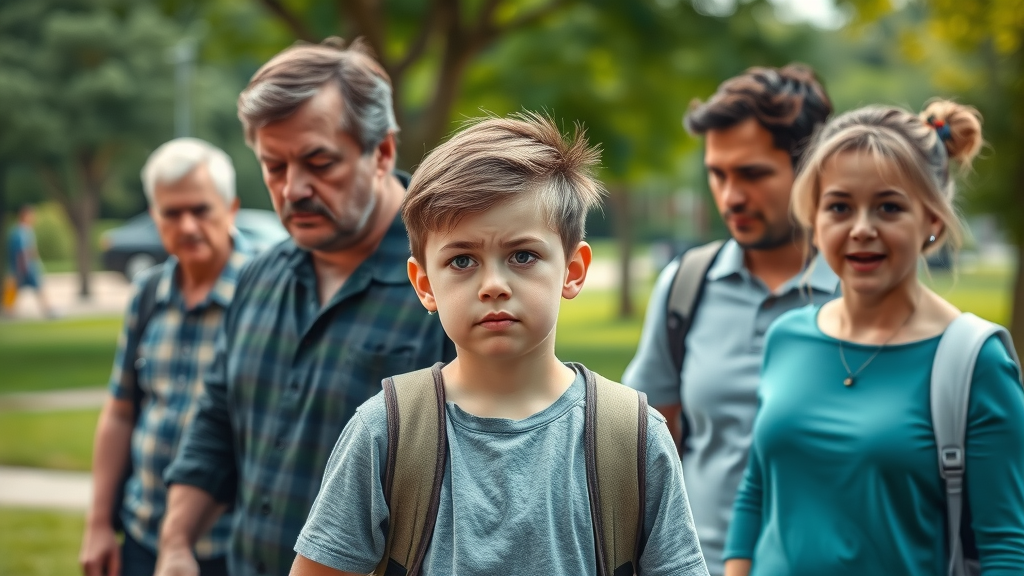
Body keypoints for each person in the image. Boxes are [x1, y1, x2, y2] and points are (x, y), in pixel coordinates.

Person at [288, 113, 710, 576]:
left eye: (522, 256)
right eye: (463, 259)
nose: (493, 285)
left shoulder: (632, 436)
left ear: (573, 270)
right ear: (424, 283)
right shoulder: (385, 432)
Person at [155, 38, 454, 576]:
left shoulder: (449, 281)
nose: (293, 189)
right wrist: (176, 544)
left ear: (382, 152)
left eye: (319, 162)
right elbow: (216, 425)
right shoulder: (257, 278)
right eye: (273, 167)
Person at [723, 101, 1024, 575]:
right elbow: (757, 491)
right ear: (816, 222)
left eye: (889, 207)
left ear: (932, 222)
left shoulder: (975, 360)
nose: (862, 229)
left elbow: (1006, 548)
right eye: (840, 207)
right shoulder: (788, 337)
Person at [622, 64, 837, 576]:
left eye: (753, 173)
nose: (730, 196)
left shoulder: (864, 292)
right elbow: (648, 447)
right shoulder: (686, 285)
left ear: (813, 169)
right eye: (718, 174)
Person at [78, 138, 250, 576]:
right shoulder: (148, 293)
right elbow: (120, 413)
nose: (188, 225)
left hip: (232, 545)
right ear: (155, 218)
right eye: (172, 213)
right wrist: (99, 524)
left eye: (201, 209)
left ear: (230, 209)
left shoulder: (264, 293)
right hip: (142, 535)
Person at [5, 204, 55, 317]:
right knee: (19, 289)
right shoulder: (20, 232)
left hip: (27, 267)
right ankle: (9, 311)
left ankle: (47, 309)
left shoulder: (27, 231)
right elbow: (21, 253)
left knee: (37, 288)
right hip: (25, 267)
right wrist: (22, 269)